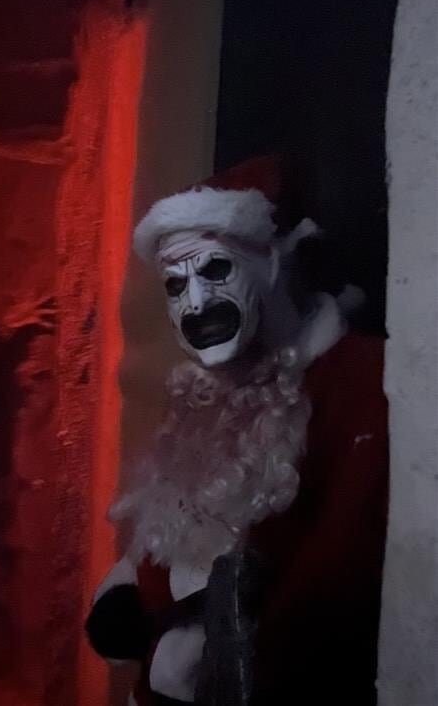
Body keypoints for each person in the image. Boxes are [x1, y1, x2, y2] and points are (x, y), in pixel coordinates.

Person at [86, 158, 388, 706]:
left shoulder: (362, 384)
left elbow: (336, 578)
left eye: (216, 270)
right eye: (176, 284)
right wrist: (133, 591)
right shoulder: (202, 395)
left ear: (273, 263)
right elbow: (175, 527)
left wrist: (222, 657)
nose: (196, 304)